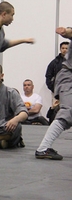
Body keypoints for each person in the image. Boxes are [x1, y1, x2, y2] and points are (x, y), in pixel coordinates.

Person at [35, 26, 72, 160]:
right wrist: (66, 32)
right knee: (68, 112)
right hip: (69, 78)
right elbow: (71, 32)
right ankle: (43, 149)